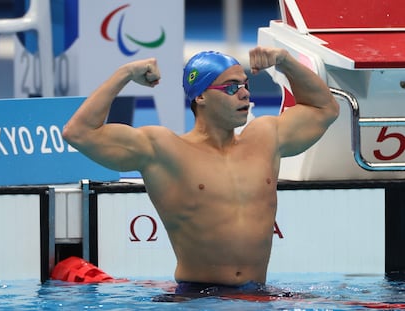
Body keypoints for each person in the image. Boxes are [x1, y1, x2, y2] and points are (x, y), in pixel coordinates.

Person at [62, 46, 339, 297]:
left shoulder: (265, 138)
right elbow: (79, 132)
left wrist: (285, 62)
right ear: (201, 96)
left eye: (245, 84)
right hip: (198, 298)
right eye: (231, 87)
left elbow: (325, 108)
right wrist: (124, 73)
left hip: (258, 294)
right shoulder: (164, 150)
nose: (244, 93)